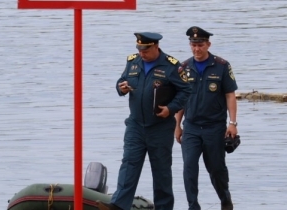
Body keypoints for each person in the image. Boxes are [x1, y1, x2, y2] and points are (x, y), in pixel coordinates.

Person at [97, 32, 191, 210]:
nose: (142, 53)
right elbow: (121, 82)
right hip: (135, 125)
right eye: (139, 49)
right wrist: (121, 88)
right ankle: (118, 205)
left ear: (156, 46)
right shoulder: (133, 62)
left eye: (145, 50)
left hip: (160, 128)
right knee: (129, 165)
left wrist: (170, 109)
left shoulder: (172, 66)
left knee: (161, 171)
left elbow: (186, 92)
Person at [173, 27, 238, 210]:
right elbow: (180, 99)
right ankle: (193, 206)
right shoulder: (184, 68)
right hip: (192, 127)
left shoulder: (222, 66)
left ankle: (225, 200)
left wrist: (232, 123)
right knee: (189, 169)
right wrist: (177, 125)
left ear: (208, 44)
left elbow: (230, 95)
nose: (196, 49)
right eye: (193, 45)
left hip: (215, 128)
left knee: (217, 170)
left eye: (200, 45)